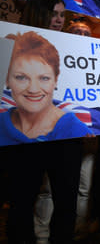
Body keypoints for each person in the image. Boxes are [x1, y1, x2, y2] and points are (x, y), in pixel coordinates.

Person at [2, 31, 90, 243]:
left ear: (56, 81)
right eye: (22, 77)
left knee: (65, 204)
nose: (33, 88)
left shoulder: (72, 127)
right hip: (20, 151)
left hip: (65, 148)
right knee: (20, 205)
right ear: (8, 80)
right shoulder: (4, 125)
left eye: (44, 78)